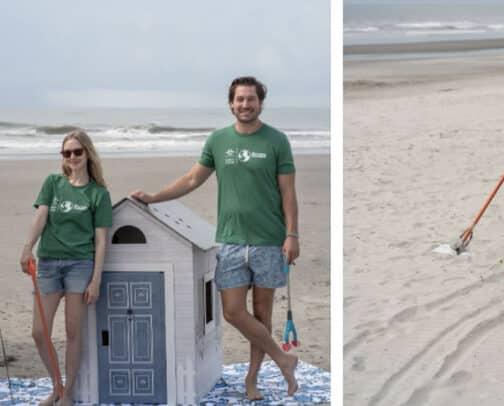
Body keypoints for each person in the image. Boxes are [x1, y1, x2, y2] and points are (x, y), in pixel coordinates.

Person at [132, 77, 300, 401]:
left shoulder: (276, 141)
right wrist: (154, 197)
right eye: (239, 99)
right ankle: (284, 358)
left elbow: (288, 193)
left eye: (251, 99)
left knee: (263, 315)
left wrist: (292, 235)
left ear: (260, 103)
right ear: (231, 103)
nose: (245, 105)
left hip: (269, 241)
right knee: (234, 312)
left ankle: (252, 380)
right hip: (231, 242)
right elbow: (192, 178)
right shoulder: (218, 140)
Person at [20, 130, 112, 406]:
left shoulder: (98, 193)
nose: (71, 157)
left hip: (79, 266)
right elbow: (40, 216)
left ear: (87, 153)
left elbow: (100, 241)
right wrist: (28, 247)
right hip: (48, 263)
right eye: (66, 153)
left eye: (77, 152)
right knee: (39, 333)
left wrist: (95, 279)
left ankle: (67, 394)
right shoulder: (53, 183)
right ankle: (57, 386)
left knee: (73, 332)